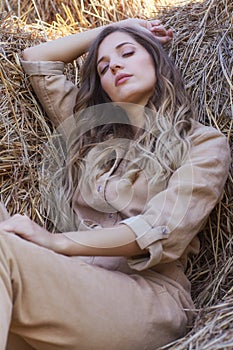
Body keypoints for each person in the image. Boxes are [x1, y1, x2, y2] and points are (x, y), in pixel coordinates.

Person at [0, 18, 230, 350]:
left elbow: (157, 229)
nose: (115, 66)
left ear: (156, 59)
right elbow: (38, 59)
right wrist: (117, 28)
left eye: (127, 52)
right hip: (69, 279)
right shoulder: (89, 134)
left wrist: (55, 242)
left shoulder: (201, 143)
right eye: (104, 67)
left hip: (143, 297)